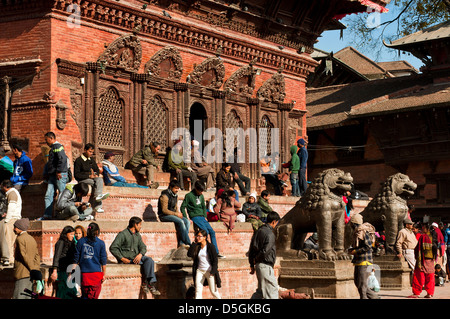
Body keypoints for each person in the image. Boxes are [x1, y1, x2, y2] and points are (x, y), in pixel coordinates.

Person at [109, 216, 161, 296]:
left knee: (149, 260)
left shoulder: (137, 235)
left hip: (136, 259)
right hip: (127, 260)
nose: (140, 226)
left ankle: (148, 283)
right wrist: (122, 258)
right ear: (135, 225)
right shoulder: (123, 234)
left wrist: (140, 254)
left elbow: (143, 247)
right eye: (140, 225)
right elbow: (113, 248)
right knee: (147, 262)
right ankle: (146, 283)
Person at [181, 181, 225, 258]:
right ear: (196, 188)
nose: (201, 193)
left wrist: (205, 216)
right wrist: (186, 218)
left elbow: (203, 207)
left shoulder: (201, 196)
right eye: (200, 191)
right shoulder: (189, 196)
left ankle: (215, 252)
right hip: (195, 216)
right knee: (206, 232)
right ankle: (207, 251)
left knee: (212, 232)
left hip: (202, 217)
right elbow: (182, 207)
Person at [248, 211, 280, 299]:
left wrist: (252, 263)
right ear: (274, 221)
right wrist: (257, 259)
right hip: (265, 265)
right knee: (272, 291)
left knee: (261, 292)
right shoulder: (270, 234)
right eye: (276, 223)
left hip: (259, 265)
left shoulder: (258, 231)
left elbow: (251, 249)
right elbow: (265, 251)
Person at [348, 213, 379, 299]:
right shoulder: (357, 232)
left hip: (364, 261)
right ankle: (374, 297)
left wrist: (355, 251)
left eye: (351, 223)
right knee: (358, 283)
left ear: (353, 223)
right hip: (358, 261)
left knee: (362, 285)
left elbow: (368, 246)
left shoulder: (363, 232)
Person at [73, 222, 107, 299]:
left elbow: (76, 259)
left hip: (84, 274)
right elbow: (103, 260)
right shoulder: (101, 243)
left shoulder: (80, 242)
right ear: (97, 232)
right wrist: (104, 274)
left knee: (85, 296)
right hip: (96, 275)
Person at [73, 143, 109, 214]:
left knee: (99, 180)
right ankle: (97, 206)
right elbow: (76, 175)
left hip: (91, 179)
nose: (91, 153)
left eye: (92, 152)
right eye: (90, 151)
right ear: (85, 150)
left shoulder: (91, 160)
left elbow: (97, 170)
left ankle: (98, 196)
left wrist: (96, 174)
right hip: (82, 179)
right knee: (96, 183)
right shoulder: (78, 160)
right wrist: (88, 176)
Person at [187, 229, 222, 299]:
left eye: (200, 236)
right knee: (198, 290)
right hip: (199, 271)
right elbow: (189, 254)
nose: (198, 238)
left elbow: (215, 260)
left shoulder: (210, 247)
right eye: (197, 236)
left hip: (209, 271)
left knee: (213, 291)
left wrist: (213, 271)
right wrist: (194, 243)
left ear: (205, 237)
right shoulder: (197, 246)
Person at [42, 131, 69, 220]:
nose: (46, 142)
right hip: (53, 175)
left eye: (47, 140)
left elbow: (63, 158)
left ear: (51, 138)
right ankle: (47, 214)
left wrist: (59, 171)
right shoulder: (53, 148)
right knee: (48, 195)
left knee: (62, 195)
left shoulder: (58, 147)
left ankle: (63, 214)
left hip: (59, 175)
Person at [12, 218, 41, 299]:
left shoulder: (20, 239)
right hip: (31, 275)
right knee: (28, 296)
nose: (14, 229)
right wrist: (36, 269)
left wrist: (33, 269)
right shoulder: (31, 238)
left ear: (19, 228)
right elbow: (37, 256)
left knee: (19, 295)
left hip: (22, 273)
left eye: (15, 227)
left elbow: (24, 256)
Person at [157, 180, 191, 247]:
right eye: (175, 188)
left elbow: (175, 208)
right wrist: (176, 214)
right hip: (164, 216)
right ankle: (188, 242)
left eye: (178, 188)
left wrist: (178, 214)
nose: (177, 190)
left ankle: (181, 243)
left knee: (187, 221)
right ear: (170, 187)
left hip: (172, 215)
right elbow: (164, 210)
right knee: (181, 222)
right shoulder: (164, 196)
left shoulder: (175, 196)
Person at [48, 225, 78, 299]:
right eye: (71, 234)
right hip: (62, 270)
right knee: (62, 291)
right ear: (66, 234)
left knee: (72, 291)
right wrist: (54, 271)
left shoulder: (72, 243)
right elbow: (57, 256)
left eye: (73, 234)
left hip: (70, 271)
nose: (72, 236)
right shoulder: (61, 242)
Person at [409, 222, 438, 298]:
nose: (422, 229)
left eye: (423, 228)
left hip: (423, 260)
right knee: (430, 277)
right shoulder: (434, 237)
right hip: (431, 261)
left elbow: (418, 249)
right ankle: (430, 293)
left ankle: (416, 293)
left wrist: (418, 258)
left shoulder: (423, 237)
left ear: (427, 229)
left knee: (419, 276)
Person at [0, 180, 22, 266]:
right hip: (14, 218)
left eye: (2, 186)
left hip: (12, 219)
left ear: (5, 187)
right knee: (10, 240)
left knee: (8, 240)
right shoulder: (13, 192)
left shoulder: (12, 193)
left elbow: (11, 208)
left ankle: (8, 259)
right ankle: (11, 259)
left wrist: (6, 220)